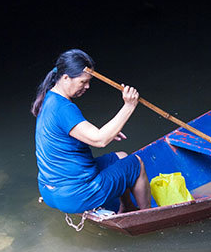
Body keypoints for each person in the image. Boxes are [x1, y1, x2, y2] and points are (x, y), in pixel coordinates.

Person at [32, 49, 152, 214]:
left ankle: (127, 208)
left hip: (50, 190)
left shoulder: (50, 99)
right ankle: (147, 214)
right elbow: (99, 140)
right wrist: (129, 105)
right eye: (83, 82)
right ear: (66, 78)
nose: (87, 86)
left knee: (122, 157)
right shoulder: (63, 108)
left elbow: (68, 134)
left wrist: (110, 131)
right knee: (136, 163)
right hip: (76, 194)